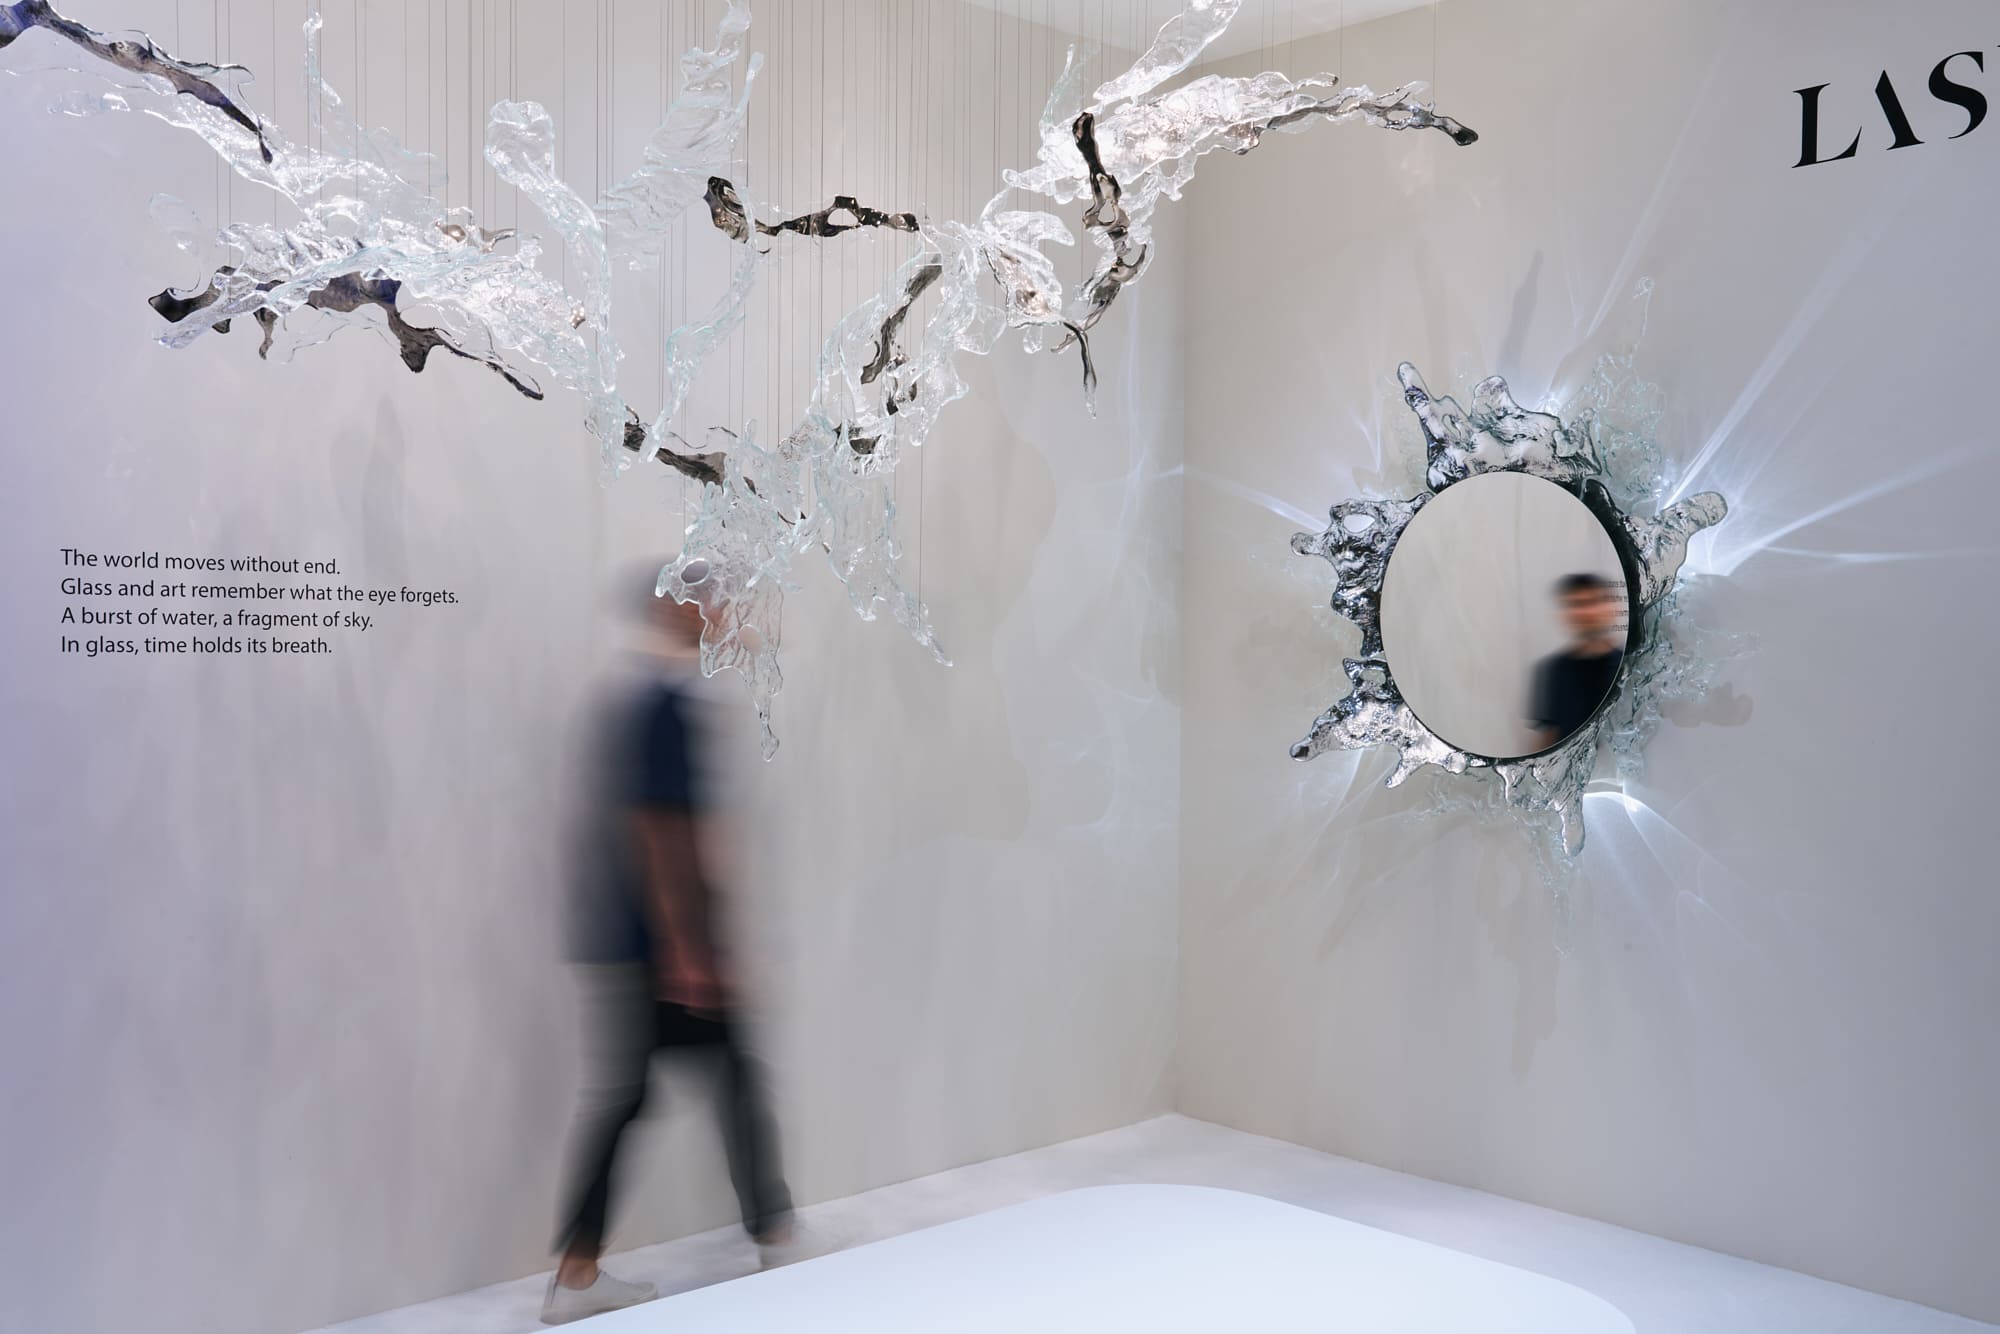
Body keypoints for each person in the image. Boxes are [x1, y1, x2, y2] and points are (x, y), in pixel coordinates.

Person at [543, 559, 794, 1326]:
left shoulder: (657, 698)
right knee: (715, 1087)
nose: (723, 610)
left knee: (662, 1092)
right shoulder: (663, 706)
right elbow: (658, 831)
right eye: (711, 599)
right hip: (660, 944)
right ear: (680, 609)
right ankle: (777, 1241)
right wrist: (688, 951)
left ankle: (582, 1272)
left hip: (642, 939)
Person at [1527, 572, 1625, 752]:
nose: (1585, 612)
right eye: (1576, 604)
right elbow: (1548, 738)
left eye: (1592, 602)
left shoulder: (1630, 664)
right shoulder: (1553, 670)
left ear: (1610, 607)